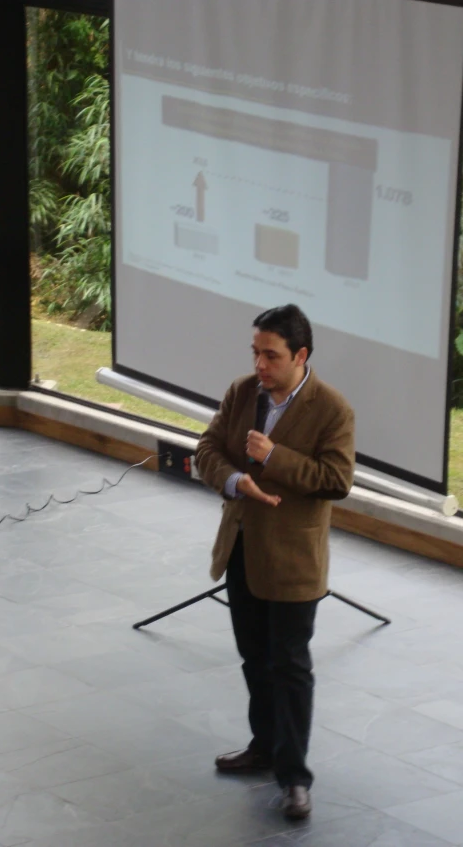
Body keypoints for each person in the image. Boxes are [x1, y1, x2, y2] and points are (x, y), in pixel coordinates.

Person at [195, 304, 355, 820]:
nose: (260, 365)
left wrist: (271, 458)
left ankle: (294, 777)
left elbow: (337, 480)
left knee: (290, 667)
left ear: (300, 355)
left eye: (271, 355)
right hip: (242, 547)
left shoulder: (332, 409)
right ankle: (264, 746)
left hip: (293, 563)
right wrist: (233, 480)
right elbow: (207, 448)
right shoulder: (243, 391)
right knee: (253, 657)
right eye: (256, 352)